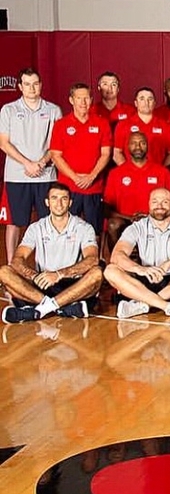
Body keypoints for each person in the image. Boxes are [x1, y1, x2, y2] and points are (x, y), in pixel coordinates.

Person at [0, 182, 102, 324]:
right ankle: (59, 307)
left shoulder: (84, 227)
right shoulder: (36, 227)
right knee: (4, 271)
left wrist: (59, 274)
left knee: (97, 273)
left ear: (70, 203)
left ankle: (39, 310)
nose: (59, 204)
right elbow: (18, 259)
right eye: (54, 198)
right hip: (42, 284)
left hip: (72, 285)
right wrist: (34, 276)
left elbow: (92, 259)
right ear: (47, 202)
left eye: (64, 199)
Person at [104, 188, 170, 319]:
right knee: (110, 270)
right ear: (149, 204)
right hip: (145, 278)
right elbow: (117, 255)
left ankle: (143, 304)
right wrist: (139, 269)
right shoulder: (137, 227)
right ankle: (168, 306)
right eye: (155, 202)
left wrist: (169, 264)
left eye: (165, 202)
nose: (159, 206)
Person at [0, 68, 61, 263]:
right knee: (14, 222)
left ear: (41, 85)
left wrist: (41, 163)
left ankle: (47, 264)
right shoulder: (8, 110)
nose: (31, 88)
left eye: (35, 83)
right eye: (27, 84)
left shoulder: (53, 110)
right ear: (20, 86)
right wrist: (27, 163)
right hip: (17, 176)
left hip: (46, 175)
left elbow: (57, 144)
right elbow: (4, 143)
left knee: (48, 222)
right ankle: (11, 266)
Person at [48, 82, 112, 236]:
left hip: (94, 187)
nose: (83, 102)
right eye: (79, 98)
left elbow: (106, 154)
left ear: (91, 99)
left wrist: (91, 176)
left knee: (94, 232)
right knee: (66, 230)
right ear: (71, 100)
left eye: (87, 98)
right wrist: (75, 178)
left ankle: (94, 253)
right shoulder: (61, 125)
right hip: (69, 188)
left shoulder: (102, 123)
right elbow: (56, 155)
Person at [103, 131, 170, 246]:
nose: (138, 147)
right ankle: (117, 257)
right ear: (127, 146)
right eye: (134, 143)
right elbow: (107, 208)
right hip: (126, 220)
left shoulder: (162, 172)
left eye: (142, 143)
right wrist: (130, 218)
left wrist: (150, 217)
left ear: (147, 146)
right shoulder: (116, 173)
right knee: (113, 224)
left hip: (154, 220)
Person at [112, 87, 170, 167]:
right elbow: (117, 154)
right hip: (130, 173)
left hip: (156, 173)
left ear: (154, 103)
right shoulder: (123, 125)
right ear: (136, 103)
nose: (146, 102)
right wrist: (129, 171)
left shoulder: (166, 126)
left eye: (150, 99)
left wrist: (160, 171)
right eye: (142, 99)